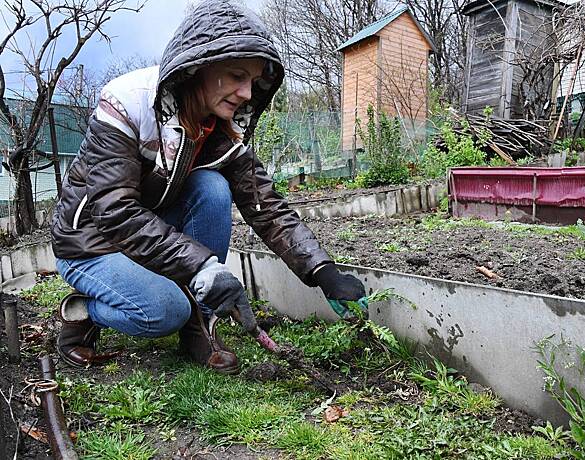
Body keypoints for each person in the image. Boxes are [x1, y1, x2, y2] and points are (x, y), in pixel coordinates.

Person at [50, 0, 366, 374]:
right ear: (197, 67)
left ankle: (198, 324)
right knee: (163, 310)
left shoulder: (224, 129)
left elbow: (266, 206)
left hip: (149, 234)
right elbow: (114, 212)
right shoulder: (127, 102)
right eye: (236, 75)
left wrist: (322, 272)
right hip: (91, 242)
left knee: (212, 186)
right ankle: (84, 314)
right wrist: (201, 266)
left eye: (252, 80)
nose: (247, 93)